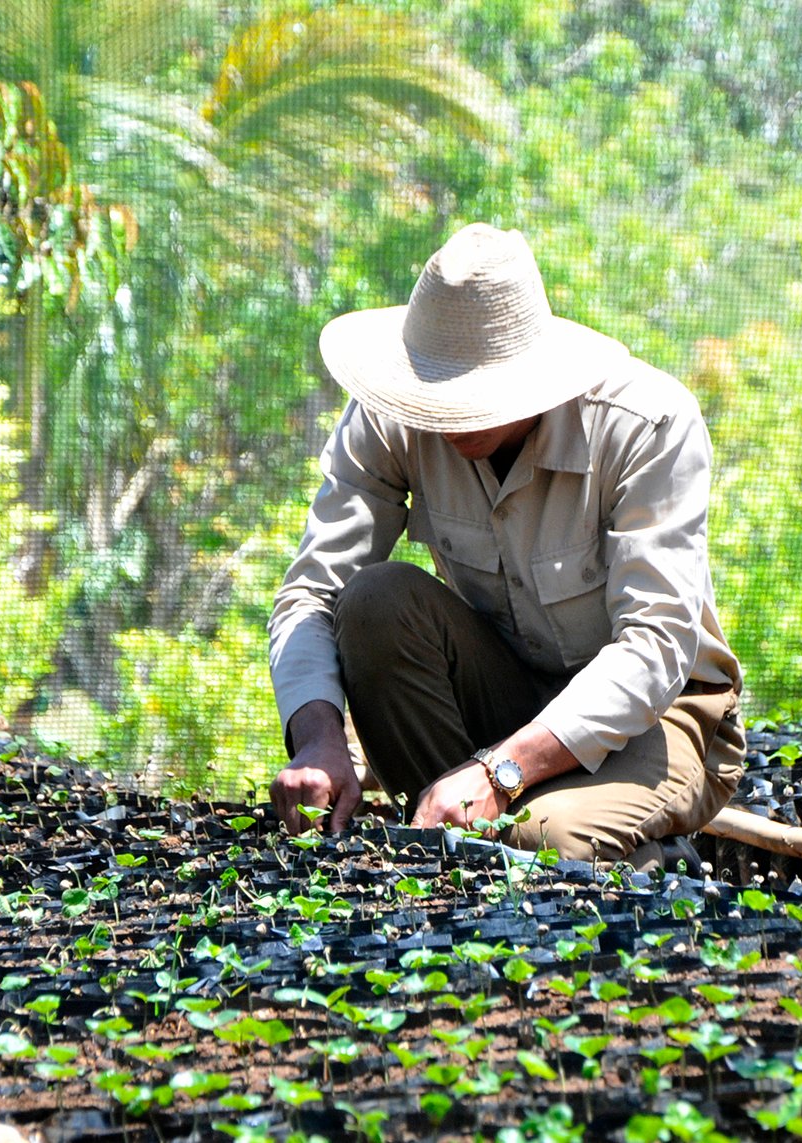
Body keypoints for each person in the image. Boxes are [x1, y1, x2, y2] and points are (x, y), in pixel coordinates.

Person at [266, 222, 745, 869]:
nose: (451, 416)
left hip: (656, 714)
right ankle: (450, 836)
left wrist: (498, 773)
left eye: (474, 397)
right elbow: (312, 591)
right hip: (505, 683)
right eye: (437, 395)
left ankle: (603, 849)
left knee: (546, 844)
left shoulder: (645, 426)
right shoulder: (389, 413)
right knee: (375, 599)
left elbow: (655, 646)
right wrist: (320, 740)